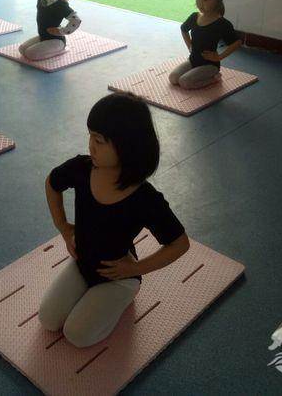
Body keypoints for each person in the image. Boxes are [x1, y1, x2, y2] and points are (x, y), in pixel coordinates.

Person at [38, 93, 190, 348]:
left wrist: (135, 269)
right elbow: (52, 184)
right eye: (90, 136)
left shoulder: (144, 198)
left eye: (99, 141)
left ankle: (126, 294)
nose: (91, 146)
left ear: (127, 146)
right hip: (82, 263)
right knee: (48, 320)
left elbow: (180, 244)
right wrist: (63, 228)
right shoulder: (82, 168)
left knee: (77, 335)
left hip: (119, 277)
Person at [169, 0, 241, 89]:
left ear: (217, 1)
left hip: (210, 65)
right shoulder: (195, 17)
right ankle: (196, 73)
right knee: (173, 78)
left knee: (184, 82)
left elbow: (237, 43)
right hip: (193, 61)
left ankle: (214, 78)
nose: (200, 3)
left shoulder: (221, 23)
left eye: (205, 0)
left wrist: (219, 57)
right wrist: (190, 46)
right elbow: (183, 29)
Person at [18, 0, 82, 61]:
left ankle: (61, 49)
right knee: (22, 49)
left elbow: (76, 20)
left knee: (30, 54)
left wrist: (62, 31)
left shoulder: (60, 4)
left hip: (56, 40)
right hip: (43, 37)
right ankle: (46, 48)